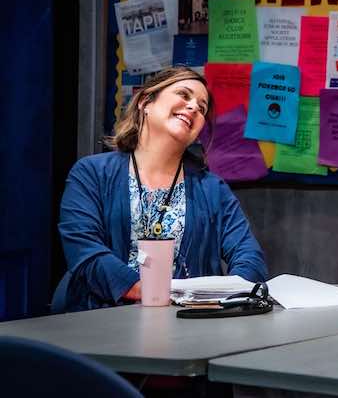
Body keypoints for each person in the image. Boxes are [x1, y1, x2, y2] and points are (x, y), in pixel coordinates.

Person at [53, 67, 267, 312]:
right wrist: (148, 291)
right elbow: (84, 250)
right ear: (146, 101)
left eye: (202, 107)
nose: (194, 108)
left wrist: (222, 298)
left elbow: (250, 256)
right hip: (100, 319)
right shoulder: (91, 173)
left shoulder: (212, 189)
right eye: (184, 95)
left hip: (184, 327)